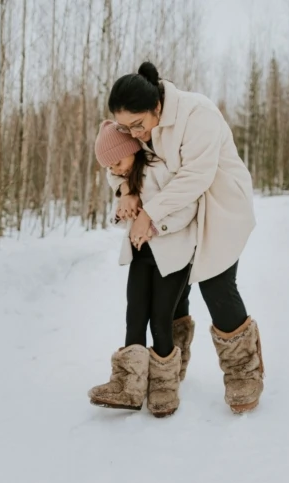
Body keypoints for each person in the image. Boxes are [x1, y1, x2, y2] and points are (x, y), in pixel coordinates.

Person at [105, 61, 264, 414]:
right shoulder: (136, 124)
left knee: (215, 284)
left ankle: (243, 372)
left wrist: (147, 214)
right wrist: (124, 190)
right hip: (173, 213)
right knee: (171, 284)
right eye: (127, 126)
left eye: (138, 125)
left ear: (157, 107)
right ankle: (168, 369)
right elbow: (118, 158)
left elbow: (196, 176)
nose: (135, 133)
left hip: (217, 206)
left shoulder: (197, 114)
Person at [87, 120, 199, 418]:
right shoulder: (127, 176)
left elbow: (187, 209)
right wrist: (124, 204)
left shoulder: (160, 169)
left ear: (133, 151)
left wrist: (151, 223)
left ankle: (164, 384)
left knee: (160, 317)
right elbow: (120, 188)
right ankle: (129, 384)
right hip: (141, 255)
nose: (115, 170)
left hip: (173, 255)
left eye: (118, 163)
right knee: (135, 313)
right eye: (109, 167)